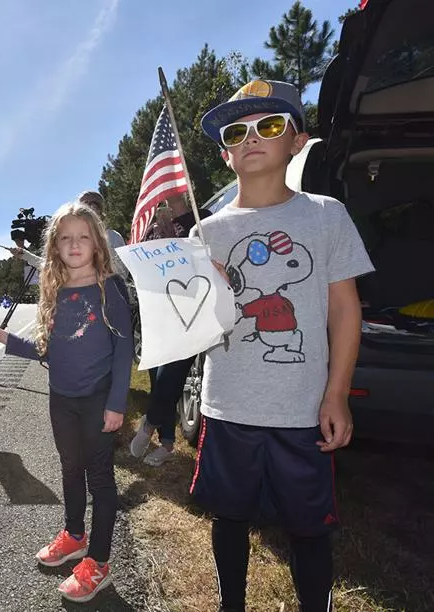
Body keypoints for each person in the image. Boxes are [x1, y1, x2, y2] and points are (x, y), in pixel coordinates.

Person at [191, 80, 374, 611]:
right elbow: (198, 328)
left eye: (269, 125)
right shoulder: (206, 232)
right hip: (227, 407)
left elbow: (345, 309)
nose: (251, 137)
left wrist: (336, 393)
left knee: (309, 527)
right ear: (225, 155)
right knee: (229, 518)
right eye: (236, 132)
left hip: (301, 409)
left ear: (296, 142)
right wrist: (206, 292)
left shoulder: (325, 214)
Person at [0, 201, 134, 603]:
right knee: (69, 467)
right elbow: (48, 349)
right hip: (61, 398)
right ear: (55, 246)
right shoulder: (56, 290)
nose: (74, 244)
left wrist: (117, 403)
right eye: (65, 238)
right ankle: (75, 535)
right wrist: (7, 340)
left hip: (98, 399)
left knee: (100, 479)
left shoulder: (111, 287)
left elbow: (123, 351)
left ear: (97, 243)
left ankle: (98, 562)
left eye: (83, 236)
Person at [130, 195, 213, 466]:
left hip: (190, 315)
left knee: (171, 378)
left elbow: (208, 256)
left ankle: (150, 422)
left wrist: (178, 220)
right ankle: (166, 444)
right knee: (158, 380)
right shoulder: (151, 229)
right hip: (159, 315)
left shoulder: (201, 218)